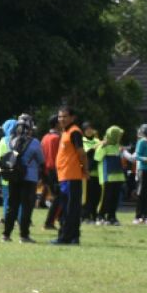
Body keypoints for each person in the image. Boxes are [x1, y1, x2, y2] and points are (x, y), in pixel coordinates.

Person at [2, 114, 44, 243]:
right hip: (29, 178)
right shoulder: (35, 142)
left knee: (11, 206)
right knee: (26, 207)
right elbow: (41, 160)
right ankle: (24, 236)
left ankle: (6, 235)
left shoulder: (8, 140)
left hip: (13, 176)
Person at [50, 105, 88, 246]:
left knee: (70, 209)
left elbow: (81, 153)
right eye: (60, 116)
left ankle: (66, 237)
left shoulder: (74, 132)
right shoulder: (65, 132)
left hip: (72, 176)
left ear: (72, 117)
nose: (62, 119)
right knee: (68, 208)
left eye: (65, 116)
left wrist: (85, 169)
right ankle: (72, 237)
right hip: (64, 176)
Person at [95, 126, 126, 226]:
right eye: (118, 135)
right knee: (105, 198)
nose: (120, 137)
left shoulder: (117, 146)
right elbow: (97, 158)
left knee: (114, 198)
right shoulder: (104, 145)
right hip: (107, 177)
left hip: (118, 177)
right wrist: (102, 146)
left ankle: (112, 217)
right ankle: (100, 216)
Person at [41, 115, 62, 230]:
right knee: (59, 197)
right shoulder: (57, 138)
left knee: (56, 197)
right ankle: (50, 222)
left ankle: (56, 220)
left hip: (45, 171)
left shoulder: (45, 137)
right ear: (57, 124)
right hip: (55, 171)